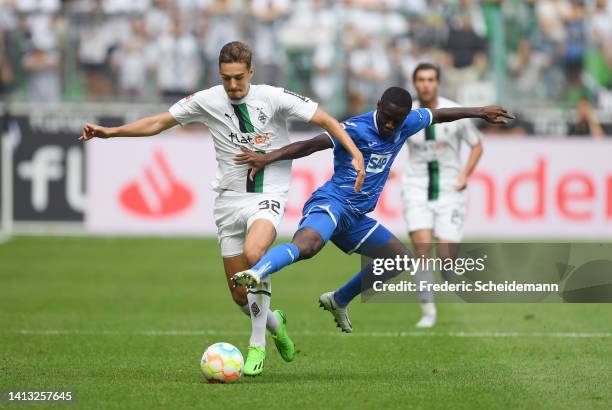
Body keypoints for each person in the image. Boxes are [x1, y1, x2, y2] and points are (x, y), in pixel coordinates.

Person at [79, 41, 365, 376]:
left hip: (267, 195)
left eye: (239, 78)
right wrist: (110, 132)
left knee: (255, 254)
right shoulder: (207, 100)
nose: (232, 85)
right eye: (226, 78)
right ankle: (275, 324)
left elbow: (328, 120)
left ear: (251, 72)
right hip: (228, 200)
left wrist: (355, 154)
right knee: (241, 297)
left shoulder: (272, 98)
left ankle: (257, 344)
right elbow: (159, 123)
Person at [231, 86, 513, 333]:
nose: (391, 125)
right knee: (309, 245)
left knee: (400, 259)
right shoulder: (354, 128)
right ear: (378, 106)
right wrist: (267, 158)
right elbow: (308, 145)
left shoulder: (408, 122)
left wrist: (480, 112)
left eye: (397, 120)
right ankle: (256, 272)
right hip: (332, 203)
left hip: (355, 217)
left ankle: (339, 299)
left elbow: (438, 115)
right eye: (387, 117)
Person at [401, 63, 484, 328]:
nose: (426, 84)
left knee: (447, 259)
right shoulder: (406, 114)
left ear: (438, 83)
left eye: (431, 79)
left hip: (450, 188)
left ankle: (448, 270)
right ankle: (428, 311)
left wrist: (465, 174)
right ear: (415, 84)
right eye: (421, 80)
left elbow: (477, 146)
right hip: (416, 187)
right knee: (422, 250)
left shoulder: (455, 111)